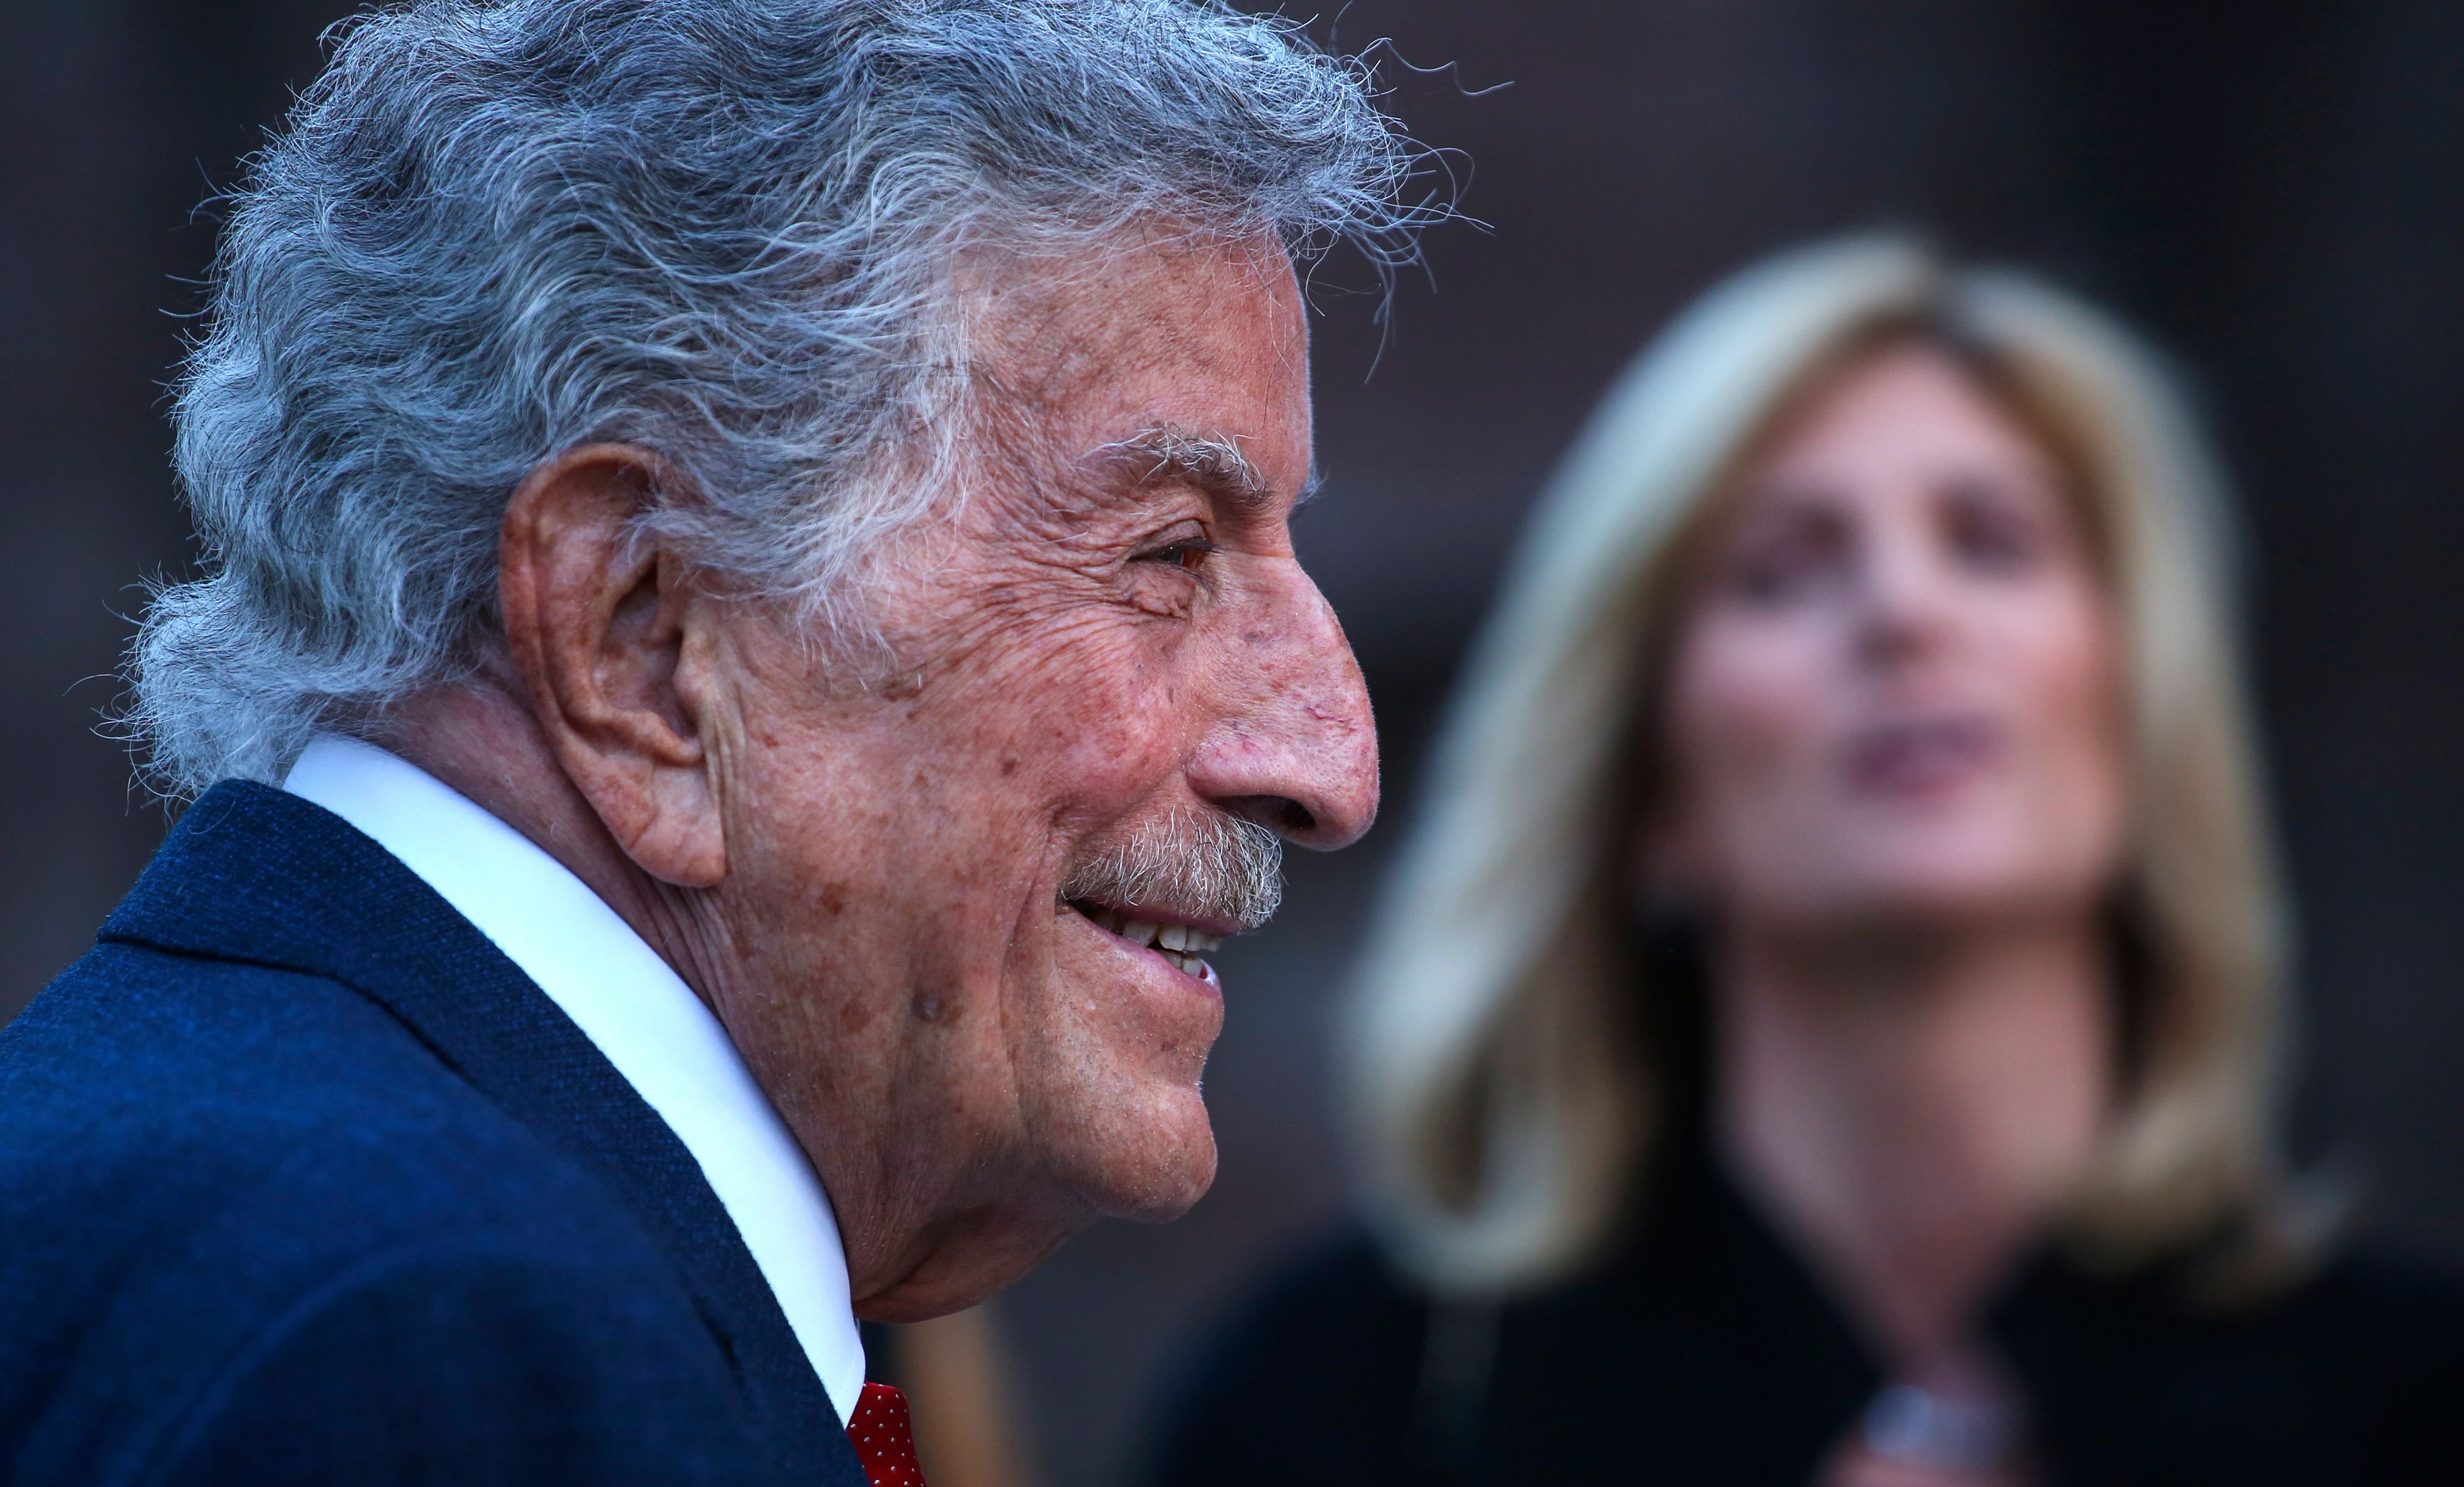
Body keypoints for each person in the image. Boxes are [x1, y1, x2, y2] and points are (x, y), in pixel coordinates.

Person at [0, 3, 1428, 1483]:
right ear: (643, 637)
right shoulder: (449, 1341)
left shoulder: (301, 1211)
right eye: (1169, 553)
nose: (1331, 758)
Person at [1149, 235, 2464, 1487]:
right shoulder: (1353, 1405)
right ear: (1649, 787)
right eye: (1783, 572)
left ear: (2139, 721)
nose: (1904, 612)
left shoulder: (2412, 1409)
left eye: (1991, 543)